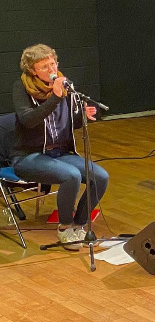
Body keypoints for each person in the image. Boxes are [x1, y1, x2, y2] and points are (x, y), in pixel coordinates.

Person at [12, 44, 108, 250]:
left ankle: (79, 225)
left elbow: (66, 123)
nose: (52, 69)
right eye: (44, 66)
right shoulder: (22, 88)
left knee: (100, 177)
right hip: (29, 156)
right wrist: (55, 97)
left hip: (60, 152)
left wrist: (82, 116)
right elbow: (29, 120)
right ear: (33, 71)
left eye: (53, 63)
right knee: (71, 175)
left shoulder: (66, 85)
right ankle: (64, 228)